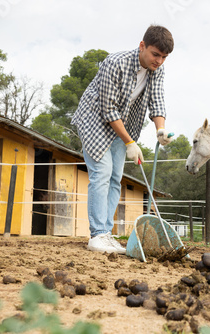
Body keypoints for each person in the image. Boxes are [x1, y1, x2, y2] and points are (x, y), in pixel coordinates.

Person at [71, 25, 174, 253]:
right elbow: (108, 110)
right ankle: (97, 235)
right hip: (95, 120)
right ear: (142, 46)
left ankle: (106, 234)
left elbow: (156, 101)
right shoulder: (115, 62)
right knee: (102, 172)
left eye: (164, 57)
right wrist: (130, 142)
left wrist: (161, 129)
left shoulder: (157, 70)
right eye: (155, 54)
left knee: (116, 178)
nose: (159, 61)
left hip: (124, 124)